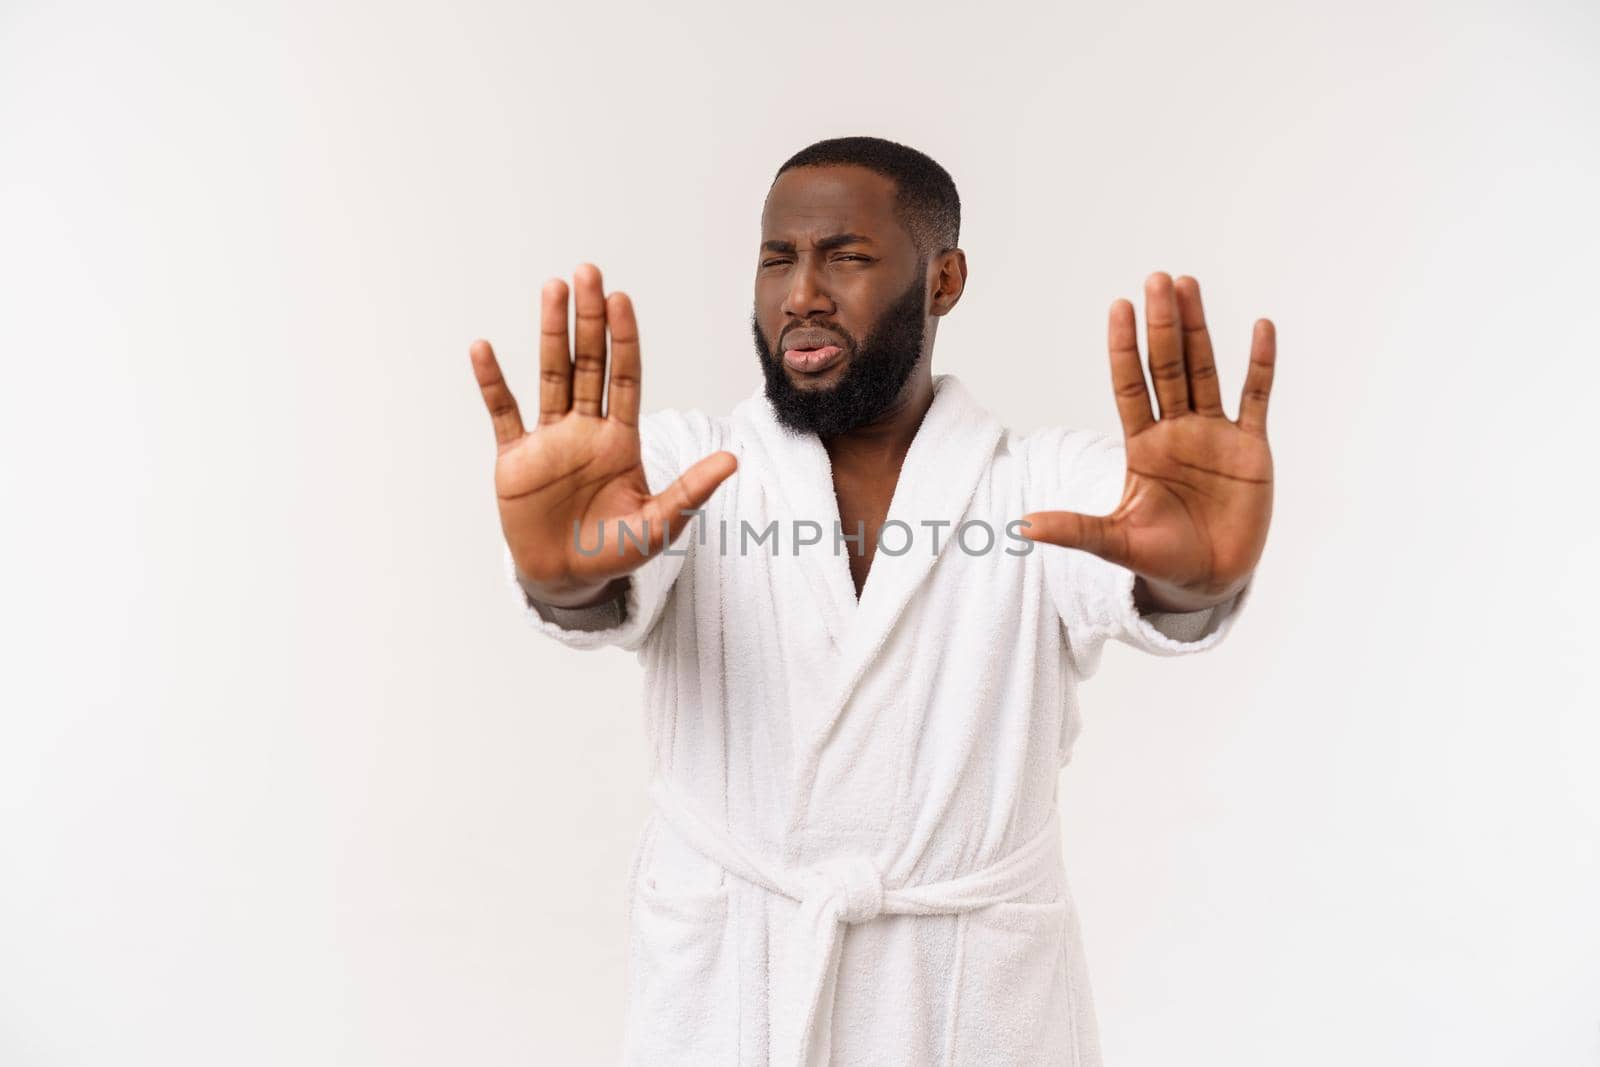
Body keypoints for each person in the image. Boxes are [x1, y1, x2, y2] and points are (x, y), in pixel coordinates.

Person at [467, 135, 1275, 1066]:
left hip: (967, 1004)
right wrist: (564, 578)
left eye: (845, 255)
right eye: (778, 257)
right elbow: (604, 578)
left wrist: (1191, 578)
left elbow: (1146, 567)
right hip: (737, 992)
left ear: (944, 279)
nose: (801, 293)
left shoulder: (1037, 485)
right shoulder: (685, 472)